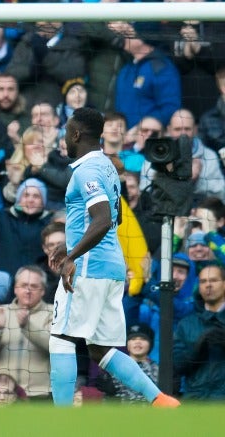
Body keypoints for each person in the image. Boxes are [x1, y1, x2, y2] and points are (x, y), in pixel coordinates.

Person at [48, 107, 179, 407]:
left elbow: (104, 218)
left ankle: (60, 422)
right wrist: (70, 246)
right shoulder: (107, 166)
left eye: (67, 132)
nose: (65, 138)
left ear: (77, 134)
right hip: (111, 268)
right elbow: (114, 220)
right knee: (99, 349)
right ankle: (160, 400)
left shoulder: (88, 171)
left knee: (61, 338)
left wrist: (73, 256)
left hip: (88, 268)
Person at [0, 265, 54, 399]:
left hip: (39, 395)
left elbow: (53, 346)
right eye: (23, 285)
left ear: (43, 291)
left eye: (34, 286)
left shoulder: (52, 313)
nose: (28, 290)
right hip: (2, 396)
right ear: (15, 288)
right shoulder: (0, 311)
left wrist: (27, 326)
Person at [173, 264, 225, 400]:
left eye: (213, 280)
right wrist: (197, 350)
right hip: (196, 401)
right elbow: (177, 366)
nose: (208, 285)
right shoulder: (186, 324)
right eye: (203, 281)